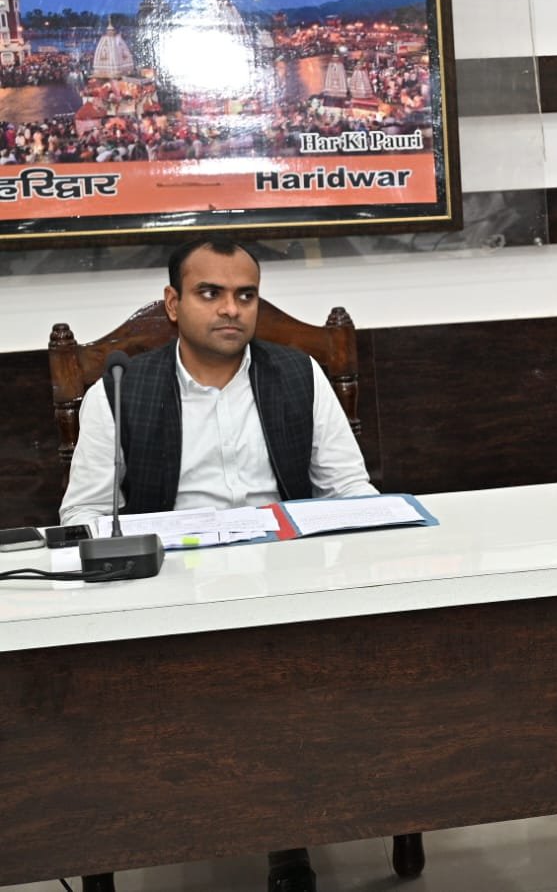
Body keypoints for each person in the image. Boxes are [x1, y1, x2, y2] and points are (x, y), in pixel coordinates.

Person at [61, 236, 375, 892]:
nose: (231, 309)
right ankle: (152, 825)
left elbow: (350, 491)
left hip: (287, 583)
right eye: (210, 293)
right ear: (173, 303)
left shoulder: (298, 375)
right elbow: (84, 516)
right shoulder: (119, 388)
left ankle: (286, 836)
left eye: (245, 294)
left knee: (291, 684)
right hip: (167, 593)